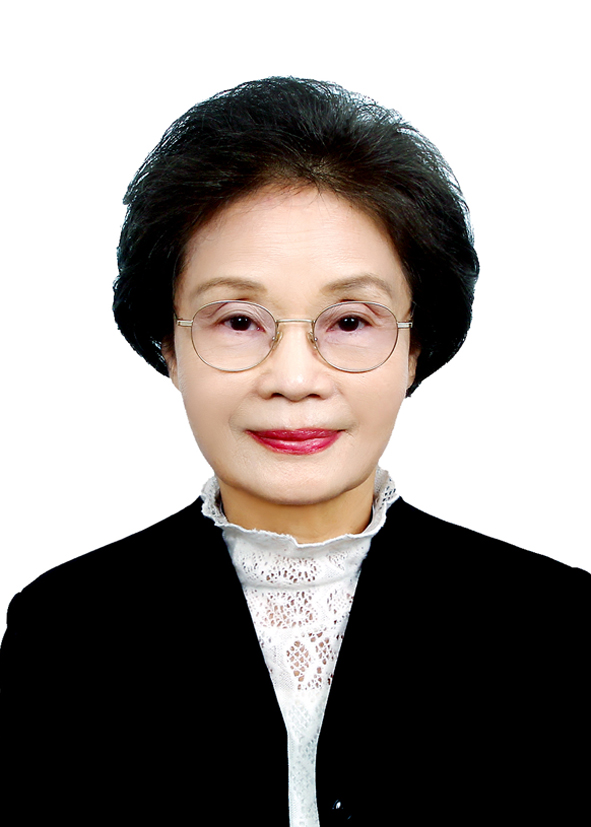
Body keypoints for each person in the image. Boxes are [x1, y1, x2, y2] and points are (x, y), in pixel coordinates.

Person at [1, 77, 588, 827]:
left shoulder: (558, 626)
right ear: (166, 345)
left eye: (350, 321)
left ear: (416, 349)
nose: (294, 378)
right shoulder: (66, 629)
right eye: (238, 321)